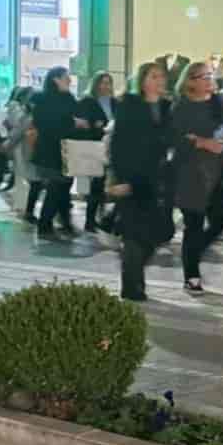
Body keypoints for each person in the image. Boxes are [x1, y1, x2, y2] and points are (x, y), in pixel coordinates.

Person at [170, 62, 223, 295]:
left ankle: (193, 253)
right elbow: (175, 139)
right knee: (194, 225)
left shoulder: (218, 103)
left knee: (218, 223)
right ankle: (192, 276)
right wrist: (201, 142)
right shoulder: (181, 107)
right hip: (191, 174)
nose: (210, 80)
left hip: (218, 173)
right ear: (190, 81)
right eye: (204, 76)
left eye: (211, 75)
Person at [106, 63, 172, 302]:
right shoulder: (129, 105)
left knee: (159, 232)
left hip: (157, 179)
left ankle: (133, 276)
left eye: (161, 76)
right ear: (142, 81)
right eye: (153, 76)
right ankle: (132, 286)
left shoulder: (167, 107)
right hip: (132, 177)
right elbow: (118, 144)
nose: (159, 80)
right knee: (134, 233)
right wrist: (119, 178)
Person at [28, 66, 88, 238]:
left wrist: (78, 122)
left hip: (67, 150)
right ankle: (45, 225)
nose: (69, 80)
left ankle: (64, 221)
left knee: (63, 187)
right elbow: (47, 124)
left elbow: (76, 115)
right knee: (56, 187)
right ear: (56, 79)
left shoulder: (68, 98)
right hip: (49, 151)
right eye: (66, 77)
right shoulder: (43, 99)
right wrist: (73, 123)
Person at [78, 71, 117, 233]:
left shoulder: (115, 102)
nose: (106, 86)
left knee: (105, 184)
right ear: (96, 84)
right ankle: (90, 220)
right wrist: (96, 125)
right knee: (96, 184)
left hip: (112, 146)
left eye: (108, 83)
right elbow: (84, 123)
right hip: (94, 146)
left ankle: (102, 217)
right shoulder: (88, 101)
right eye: (103, 83)